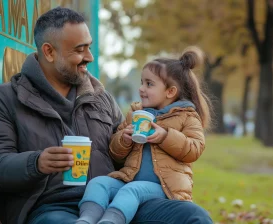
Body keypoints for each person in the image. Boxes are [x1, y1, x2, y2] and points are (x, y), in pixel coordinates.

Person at [0, 7, 212, 224]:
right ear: (49, 52)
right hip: (54, 207)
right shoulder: (3, 99)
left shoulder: (101, 99)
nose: (90, 57)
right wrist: (37, 163)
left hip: (117, 201)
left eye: (89, 46)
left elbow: (127, 158)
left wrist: (137, 139)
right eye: (80, 50)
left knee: (193, 217)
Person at [76, 47, 212, 224]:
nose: (141, 89)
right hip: (129, 180)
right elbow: (115, 153)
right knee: (98, 183)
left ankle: (110, 221)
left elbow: (194, 149)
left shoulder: (186, 116)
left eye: (149, 84)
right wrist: (124, 139)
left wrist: (165, 137)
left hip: (164, 187)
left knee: (132, 190)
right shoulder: (135, 114)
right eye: (142, 82)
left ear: (170, 92)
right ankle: (86, 219)